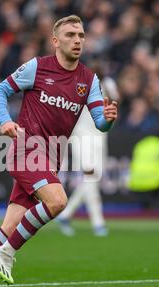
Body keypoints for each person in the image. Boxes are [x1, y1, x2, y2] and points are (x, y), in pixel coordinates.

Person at [0, 15, 118, 287]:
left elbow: (100, 121)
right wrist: (5, 120)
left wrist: (109, 120)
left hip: (51, 158)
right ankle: (8, 252)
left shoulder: (89, 80)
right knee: (58, 201)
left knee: (9, 227)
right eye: (70, 35)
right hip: (25, 149)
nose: (77, 40)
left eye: (81, 35)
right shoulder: (38, 67)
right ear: (55, 41)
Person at [56, 69, 120, 236]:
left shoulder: (106, 85)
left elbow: (116, 101)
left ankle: (66, 214)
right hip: (81, 137)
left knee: (94, 179)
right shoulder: (77, 86)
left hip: (99, 137)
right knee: (91, 177)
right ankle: (98, 223)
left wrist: (108, 85)